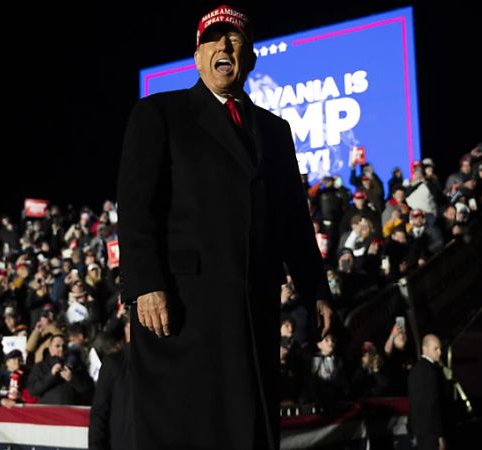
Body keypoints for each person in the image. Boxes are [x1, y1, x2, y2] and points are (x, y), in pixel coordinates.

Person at [116, 5, 333, 449]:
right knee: (186, 428)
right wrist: (146, 284)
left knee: (247, 426)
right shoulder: (160, 113)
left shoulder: (275, 131)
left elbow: (293, 218)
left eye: (235, 39)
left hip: (252, 309)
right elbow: (137, 209)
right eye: (213, 39)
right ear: (197, 57)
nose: (224, 46)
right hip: (182, 309)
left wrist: (317, 290)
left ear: (250, 57)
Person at [408, 334, 448, 450]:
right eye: (435, 348)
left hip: (416, 431)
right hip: (430, 433)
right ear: (424, 349)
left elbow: (414, 403)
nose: (439, 352)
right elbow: (433, 405)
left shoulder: (414, 371)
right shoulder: (431, 372)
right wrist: (440, 436)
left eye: (440, 348)